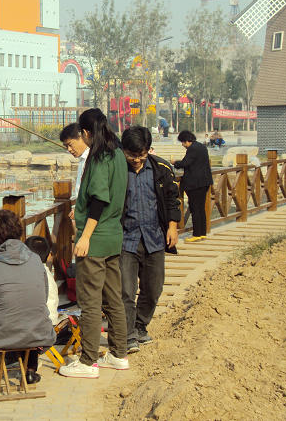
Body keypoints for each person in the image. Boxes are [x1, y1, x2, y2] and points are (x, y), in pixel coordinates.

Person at [58, 108, 129, 379]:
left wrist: (85, 236)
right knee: (113, 299)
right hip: (113, 236)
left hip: (96, 239)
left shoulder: (99, 158)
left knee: (90, 302)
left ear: (86, 133)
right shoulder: (118, 154)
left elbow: (99, 199)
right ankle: (119, 354)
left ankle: (88, 361)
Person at [0, 210, 55, 389]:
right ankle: (30, 369)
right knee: (29, 315)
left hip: (2, 335)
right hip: (40, 334)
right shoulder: (35, 260)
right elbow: (42, 298)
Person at [120, 126, 181, 352]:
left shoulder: (161, 168)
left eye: (141, 155)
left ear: (148, 150)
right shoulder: (117, 170)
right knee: (126, 290)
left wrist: (172, 227)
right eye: (132, 155)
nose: (137, 160)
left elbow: (173, 199)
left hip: (154, 237)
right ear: (123, 150)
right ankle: (127, 335)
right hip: (125, 239)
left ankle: (140, 325)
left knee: (153, 288)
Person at [173, 130, 213, 242]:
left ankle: (196, 234)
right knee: (201, 208)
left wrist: (175, 163)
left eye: (183, 142)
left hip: (195, 183)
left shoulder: (192, 149)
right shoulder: (201, 146)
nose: (183, 145)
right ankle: (202, 233)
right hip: (205, 181)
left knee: (195, 208)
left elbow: (185, 163)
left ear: (186, 140)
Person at [25, 235, 59, 326]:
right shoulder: (47, 277)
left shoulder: (19, 273)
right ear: (49, 256)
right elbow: (52, 313)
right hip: (43, 327)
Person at [60, 123, 89, 200]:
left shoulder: (91, 158)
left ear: (82, 137)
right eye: (66, 146)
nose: (69, 149)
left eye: (70, 144)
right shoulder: (82, 158)